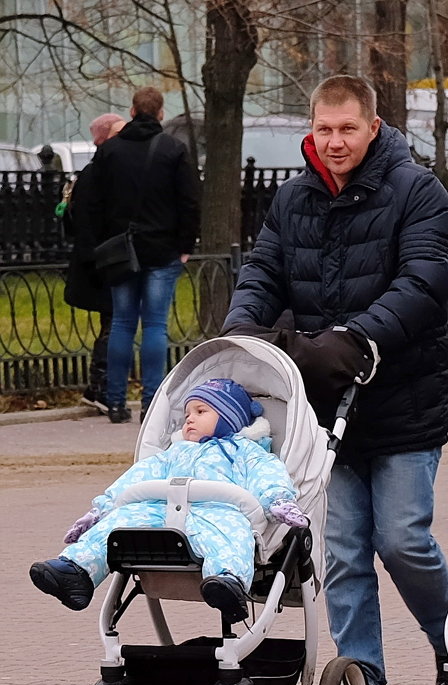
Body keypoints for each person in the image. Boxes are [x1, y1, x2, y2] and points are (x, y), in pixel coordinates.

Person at [222, 75, 448, 685]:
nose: (333, 142)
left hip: (402, 399)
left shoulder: (417, 193)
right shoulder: (292, 198)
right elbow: (263, 272)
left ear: (373, 127)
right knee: (344, 550)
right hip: (323, 406)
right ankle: (361, 680)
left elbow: (424, 279)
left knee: (403, 538)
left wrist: (359, 336)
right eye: (323, 129)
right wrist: (240, 334)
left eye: (346, 129)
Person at [29, 379, 309, 623]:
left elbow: (267, 475)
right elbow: (138, 476)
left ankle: (227, 582)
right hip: (160, 511)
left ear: (230, 418)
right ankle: (76, 571)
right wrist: (102, 510)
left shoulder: (246, 451)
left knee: (232, 534)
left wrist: (277, 500)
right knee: (119, 523)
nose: (189, 419)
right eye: (187, 413)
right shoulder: (175, 452)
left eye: (201, 412)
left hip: (216, 510)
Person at [89, 86, 201, 424]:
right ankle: (152, 401)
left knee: (122, 323)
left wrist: (102, 244)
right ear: (161, 113)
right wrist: (185, 246)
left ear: (133, 111)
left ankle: (116, 401)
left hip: (121, 251)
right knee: (155, 325)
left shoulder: (109, 151)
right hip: (163, 249)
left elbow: (95, 202)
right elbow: (189, 201)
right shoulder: (173, 149)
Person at [63, 113, 126, 414]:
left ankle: (100, 386)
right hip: (104, 262)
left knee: (112, 322)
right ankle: (101, 386)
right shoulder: (99, 174)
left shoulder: (94, 172)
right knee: (114, 322)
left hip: (99, 260)